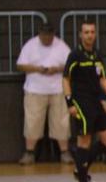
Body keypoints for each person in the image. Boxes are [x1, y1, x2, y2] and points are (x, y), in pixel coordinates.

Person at [63, 20, 106, 182]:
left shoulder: (97, 55)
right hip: (81, 101)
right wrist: (69, 103)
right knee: (84, 140)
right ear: (81, 35)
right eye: (86, 32)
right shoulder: (75, 55)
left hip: (96, 101)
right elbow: (65, 79)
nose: (89, 35)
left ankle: (80, 169)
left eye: (92, 32)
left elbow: (102, 78)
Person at [15, 23, 72, 165]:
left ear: (53, 34)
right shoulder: (30, 45)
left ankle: (64, 152)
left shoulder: (62, 46)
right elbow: (20, 65)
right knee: (32, 121)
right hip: (35, 90)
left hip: (58, 90)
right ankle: (29, 152)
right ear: (39, 34)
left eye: (49, 35)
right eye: (44, 35)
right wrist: (37, 69)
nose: (47, 38)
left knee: (62, 121)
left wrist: (57, 69)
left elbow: (71, 65)